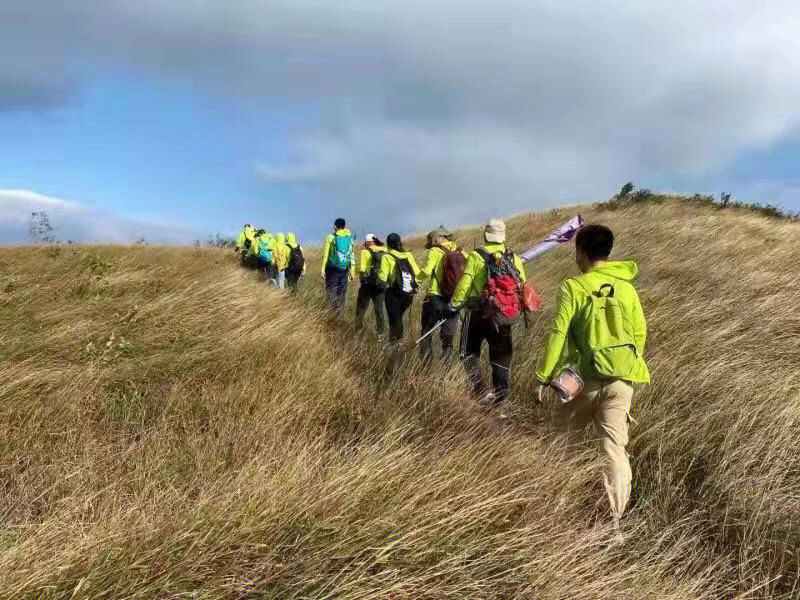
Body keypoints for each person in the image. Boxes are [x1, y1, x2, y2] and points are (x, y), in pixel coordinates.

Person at [534, 224, 650, 537]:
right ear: (608, 252)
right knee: (614, 450)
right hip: (621, 380)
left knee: (563, 441)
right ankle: (614, 527)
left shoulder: (574, 286)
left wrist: (544, 376)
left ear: (581, 252)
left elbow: (559, 333)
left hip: (582, 380)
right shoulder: (627, 288)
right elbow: (640, 333)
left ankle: (560, 511)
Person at [449, 219, 527, 406]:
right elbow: (522, 283)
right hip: (503, 314)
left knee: (467, 353)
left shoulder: (477, 256)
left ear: (485, 235)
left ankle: (481, 390)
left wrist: (454, 304)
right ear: (503, 236)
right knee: (501, 359)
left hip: (477, 312)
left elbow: (465, 283)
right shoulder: (513, 257)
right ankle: (501, 402)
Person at [418, 226, 466, 360]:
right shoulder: (460, 251)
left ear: (435, 239)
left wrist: (415, 281)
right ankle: (446, 373)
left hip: (435, 297)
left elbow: (427, 271)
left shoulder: (434, 251)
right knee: (447, 337)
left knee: (426, 332)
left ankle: (426, 367)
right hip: (453, 299)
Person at [377, 233, 421, 344]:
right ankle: (400, 342)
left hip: (394, 293)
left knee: (393, 319)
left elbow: (382, 277)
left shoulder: (387, 257)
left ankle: (395, 344)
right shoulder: (408, 255)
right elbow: (417, 273)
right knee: (399, 317)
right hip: (408, 294)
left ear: (388, 244)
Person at [356, 234, 387, 340]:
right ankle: (381, 334)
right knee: (379, 310)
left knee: (361, 309)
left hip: (368, 284)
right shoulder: (384, 250)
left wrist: (362, 281)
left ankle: (358, 331)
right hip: (380, 284)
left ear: (368, 243)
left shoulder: (364, 252)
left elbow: (363, 269)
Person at [321, 218, 355, 311]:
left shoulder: (330, 237)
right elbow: (352, 255)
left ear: (335, 226)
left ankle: (332, 313)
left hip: (332, 269)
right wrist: (352, 272)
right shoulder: (349, 238)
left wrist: (323, 269)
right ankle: (340, 314)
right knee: (342, 294)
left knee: (331, 292)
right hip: (345, 269)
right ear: (345, 226)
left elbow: (326, 254)